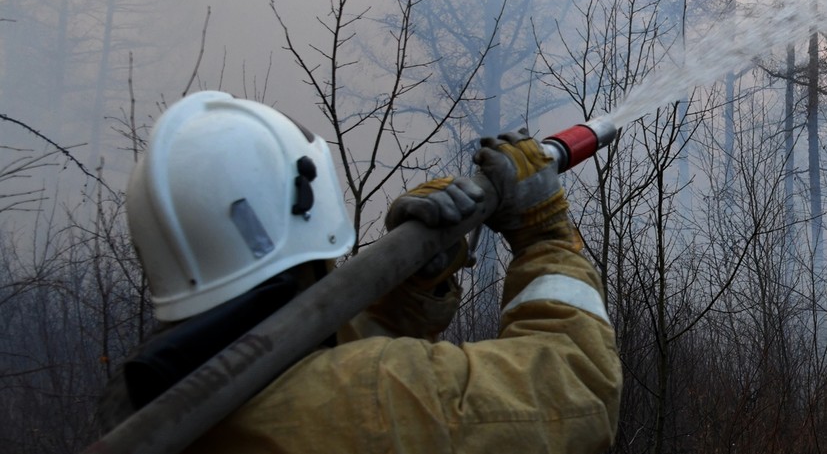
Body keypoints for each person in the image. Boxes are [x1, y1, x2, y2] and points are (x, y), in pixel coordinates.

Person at [100, 91, 621, 453]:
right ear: (309, 201)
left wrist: (410, 287)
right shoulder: (370, 398)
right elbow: (578, 389)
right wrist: (544, 233)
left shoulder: (153, 401)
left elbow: (311, 367)